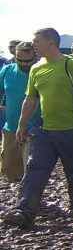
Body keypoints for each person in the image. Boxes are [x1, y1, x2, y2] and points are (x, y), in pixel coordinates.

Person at [2, 28, 73, 227]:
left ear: (51, 43)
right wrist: (21, 125)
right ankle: (24, 211)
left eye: (37, 41)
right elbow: (31, 98)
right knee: (35, 168)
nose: (34, 44)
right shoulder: (37, 69)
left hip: (71, 128)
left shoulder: (70, 64)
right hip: (44, 129)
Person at [0, 42, 41, 182]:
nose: (23, 64)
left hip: (35, 128)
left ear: (35, 57)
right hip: (10, 128)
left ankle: (29, 199)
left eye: (27, 61)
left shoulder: (41, 72)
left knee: (31, 170)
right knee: (9, 171)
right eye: (19, 60)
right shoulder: (7, 70)